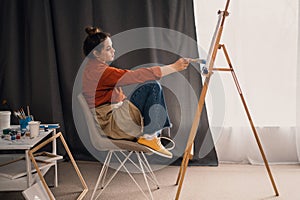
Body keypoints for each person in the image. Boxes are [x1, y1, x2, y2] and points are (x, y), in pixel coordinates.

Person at [82, 26, 190, 158]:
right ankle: (151, 135)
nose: (113, 50)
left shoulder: (94, 69)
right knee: (152, 86)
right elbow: (136, 76)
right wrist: (173, 67)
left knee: (149, 88)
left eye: (112, 47)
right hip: (113, 124)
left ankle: (152, 134)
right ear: (96, 53)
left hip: (115, 119)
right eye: (108, 48)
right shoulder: (99, 72)